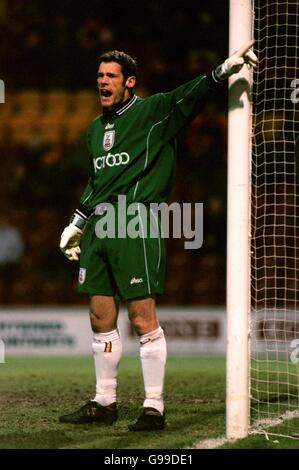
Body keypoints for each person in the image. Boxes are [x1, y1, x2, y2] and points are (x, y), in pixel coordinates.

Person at [59, 43, 257, 430]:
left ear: (129, 82)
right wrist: (77, 222)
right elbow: (97, 181)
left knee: (141, 315)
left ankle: (153, 407)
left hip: (135, 221)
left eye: (111, 76)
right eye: (99, 75)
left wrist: (220, 72)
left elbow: (191, 94)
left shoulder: (153, 112)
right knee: (100, 315)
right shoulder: (94, 130)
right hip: (100, 228)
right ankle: (104, 401)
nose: (103, 81)